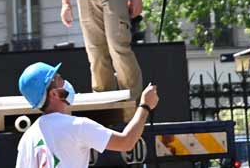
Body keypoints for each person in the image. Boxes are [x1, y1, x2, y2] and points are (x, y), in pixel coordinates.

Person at [16, 60, 158, 168]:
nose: (64, 81)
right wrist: (145, 105)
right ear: (54, 94)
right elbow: (126, 142)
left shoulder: (27, 139)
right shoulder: (77, 126)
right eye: (59, 79)